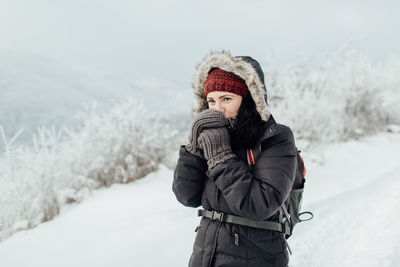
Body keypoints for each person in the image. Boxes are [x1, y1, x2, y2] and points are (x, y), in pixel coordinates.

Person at [172, 51, 297, 267]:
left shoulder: (275, 138)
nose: (217, 109)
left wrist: (221, 157)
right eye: (211, 100)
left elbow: (259, 205)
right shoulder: (210, 138)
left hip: (257, 256)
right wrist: (193, 149)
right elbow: (186, 197)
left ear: (248, 100)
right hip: (205, 254)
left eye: (226, 99)